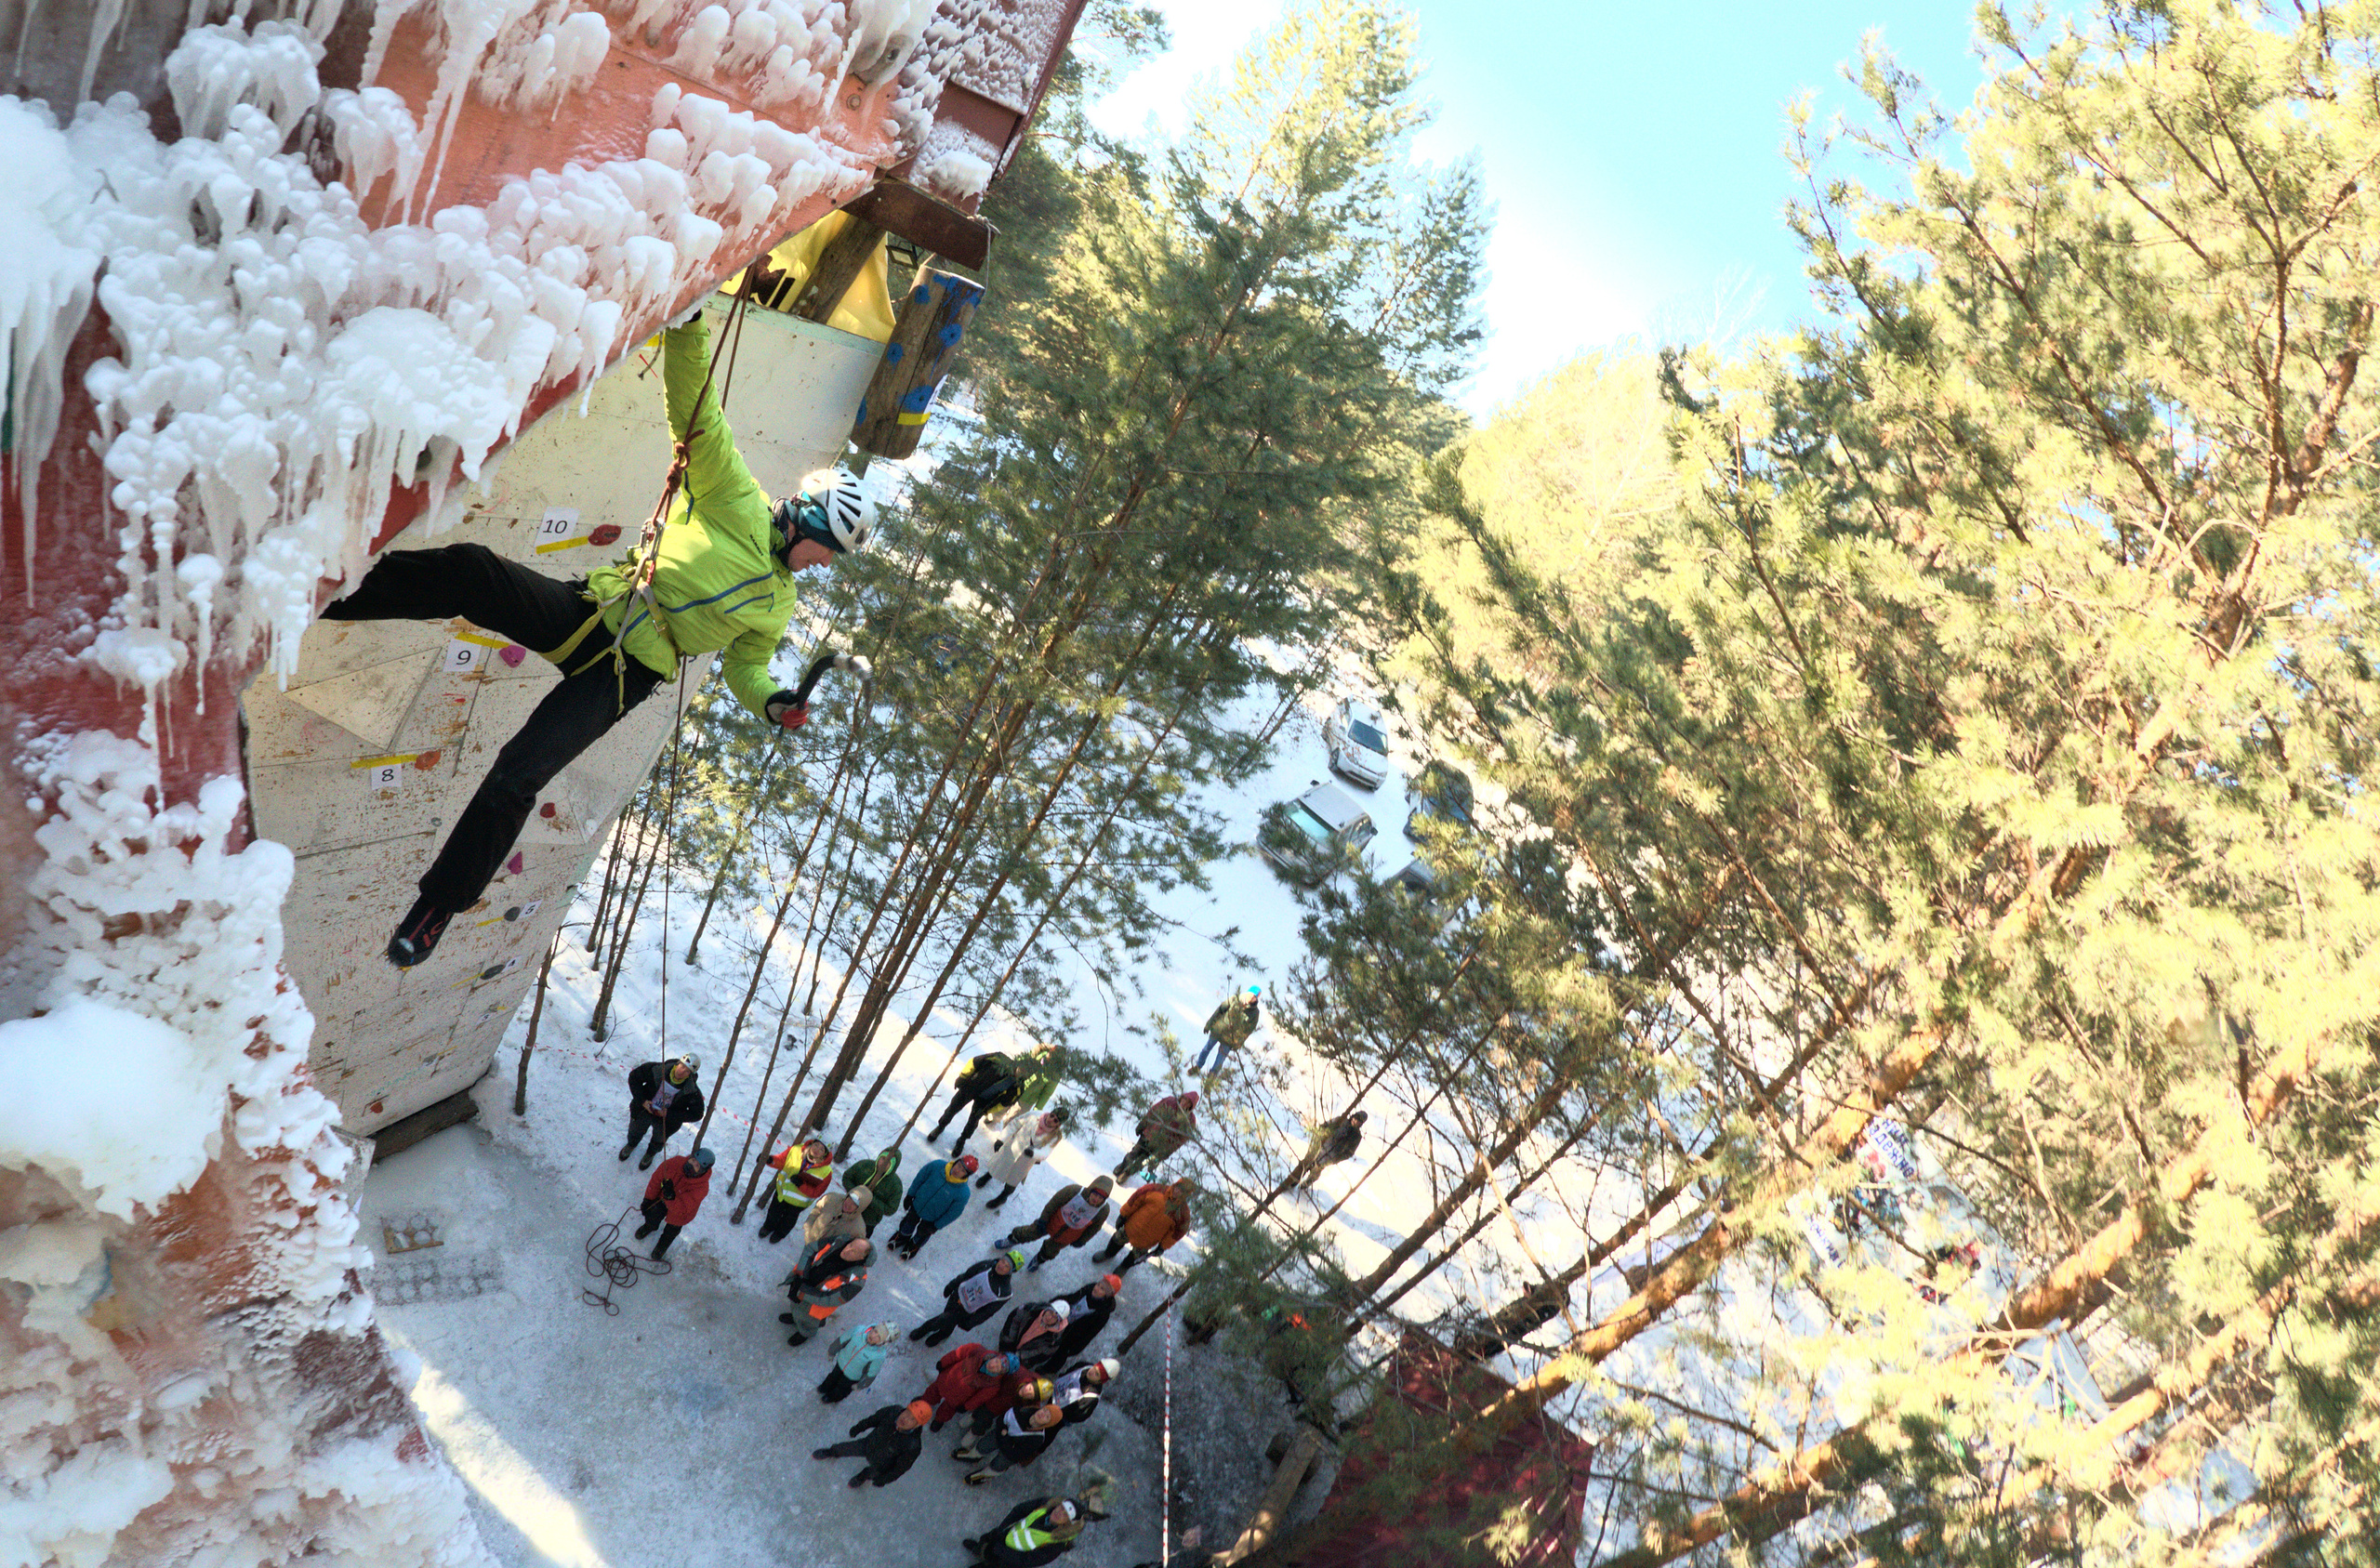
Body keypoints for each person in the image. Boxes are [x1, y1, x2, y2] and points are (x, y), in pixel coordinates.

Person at [324, 311, 878, 968]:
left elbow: (746, 666)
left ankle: (439, 902)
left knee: (517, 774)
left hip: (622, 677)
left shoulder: (777, 602)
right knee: (474, 571)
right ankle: (335, 591)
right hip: (593, 608)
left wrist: (770, 701)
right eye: (830, 550)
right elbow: (697, 409)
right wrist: (691, 322)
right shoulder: (734, 497)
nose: (825, 564)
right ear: (808, 520)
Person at [910, 1247, 1023, 1345]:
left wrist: (971, 1322)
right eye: (1003, 1261)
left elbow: (988, 1312)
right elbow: (967, 1274)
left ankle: (923, 1330)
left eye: (1007, 1266)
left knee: (941, 1319)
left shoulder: (1004, 1293)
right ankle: (944, 1334)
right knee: (947, 1319)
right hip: (957, 1295)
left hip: (965, 1310)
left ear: (1011, 1271)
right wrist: (952, 1285)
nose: (1001, 1265)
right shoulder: (987, 1265)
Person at [1004, 1175, 1115, 1272]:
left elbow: (1095, 1228)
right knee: (1030, 1232)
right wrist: (1043, 1219)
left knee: (1050, 1251)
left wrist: (1082, 1240)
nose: (1096, 1199)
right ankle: (1013, 1239)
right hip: (1052, 1222)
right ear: (1091, 1190)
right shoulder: (1074, 1191)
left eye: (1101, 1198)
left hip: (1068, 1236)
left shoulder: (1103, 1210)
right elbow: (1054, 1202)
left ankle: (1039, 1259)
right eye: (1095, 1194)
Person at [811, 1399, 930, 1489]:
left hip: (882, 1464)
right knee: (844, 1448)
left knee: (870, 1473)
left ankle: (861, 1478)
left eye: (912, 1419)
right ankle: (831, 1452)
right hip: (868, 1444)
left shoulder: (913, 1446)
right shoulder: (892, 1412)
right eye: (908, 1412)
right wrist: (858, 1428)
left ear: (917, 1425)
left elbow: (900, 1468)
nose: (905, 1418)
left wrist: (883, 1480)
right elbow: (873, 1420)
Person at [618, 1053, 704, 1169]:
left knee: (659, 1139)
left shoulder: (691, 1090)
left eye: (687, 1071)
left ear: (690, 1074)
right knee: (635, 1129)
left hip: (665, 1121)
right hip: (644, 1110)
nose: (682, 1071)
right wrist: (642, 1101)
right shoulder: (657, 1070)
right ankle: (631, 1144)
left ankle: (651, 1153)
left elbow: (697, 1114)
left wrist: (669, 1114)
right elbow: (634, 1077)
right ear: (678, 1063)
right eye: (682, 1066)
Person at [782, 1236, 871, 1346]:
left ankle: (805, 1333)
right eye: (850, 1245)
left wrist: (803, 1291)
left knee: (809, 1322)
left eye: (854, 1251)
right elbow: (810, 1249)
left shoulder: (858, 1279)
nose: (847, 1250)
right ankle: (795, 1318)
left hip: (815, 1307)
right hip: (802, 1288)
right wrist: (801, 1276)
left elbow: (832, 1299)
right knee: (796, 1307)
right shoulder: (835, 1243)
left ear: (861, 1257)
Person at [1093, 1178, 1194, 1273]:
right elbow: (1136, 1199)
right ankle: (1108, 1253)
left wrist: (1163, 1246)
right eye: (1177, 1187)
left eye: (1181, 1191)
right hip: (1131, 1227)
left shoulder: (1183, 1213)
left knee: (1135, 1257)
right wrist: (1124, 1214)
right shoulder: (1156, 1189)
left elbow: (1177, 1233)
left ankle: (1124, 1267)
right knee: (1116, 1240)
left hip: (1148, 1240)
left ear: (1185, 1195)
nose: (1177, 1191)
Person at [929, 1049, 1022, 1151]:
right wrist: (962, 1077)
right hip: (971, 1087)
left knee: (972, 1122)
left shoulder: (1017, 1087)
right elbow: (974, 1062)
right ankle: (940, 1126)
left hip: (985, 1101)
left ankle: (962, 1139)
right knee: (952, 1108)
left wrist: (987, 1110)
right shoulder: (998, 1058)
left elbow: (1003, 1103)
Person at [631, 1145, 713, 1259]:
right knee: (653, 1215)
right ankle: (649, 1226)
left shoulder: (702, 1188)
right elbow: (656, 1180)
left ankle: (662, 1246)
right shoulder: (675, 1163)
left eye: (697, 1166)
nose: (691, 1164)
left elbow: (683, 1208)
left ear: (703, 1171)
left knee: (671, 1232)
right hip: (662, 1199)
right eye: (693, 1160)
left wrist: (670, 1198)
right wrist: (648, 1199)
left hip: (681, 1213)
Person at [889, 1153, 976, 1260]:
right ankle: (902, 1236)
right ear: (956, 1161)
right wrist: (910, 1194)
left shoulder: (963, 1193)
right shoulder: (937, 1166)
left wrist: (937, 1225)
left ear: (966, 1175)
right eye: (959, 1165)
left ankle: (914, 1245)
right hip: (918, 1204)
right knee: (909, 1221)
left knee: (923, 1233)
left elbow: (953, 1213)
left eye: (963, 1171)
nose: (958, 1170)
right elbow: (920, 1178)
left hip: (932, 1219)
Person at [916, 1344, 1019, 1432]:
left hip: (956, 1399)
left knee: (947, 1410)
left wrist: (966, 1407)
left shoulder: (993, 1386)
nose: (993, 1366)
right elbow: (958, 1353)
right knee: (933, 1391)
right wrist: (943, 1362)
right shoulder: (978, 1350)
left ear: (1001, 1373)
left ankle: (939, 1419)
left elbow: (979, 1398)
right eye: (997, 1362)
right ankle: (925, 1400)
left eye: (998, 1369)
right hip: (945, 1380)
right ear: (997, 1356)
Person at [962, 1496, 1087, 1567]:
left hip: (1008, 1559)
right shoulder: (1045, 1505)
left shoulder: (1057, 1543)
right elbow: (1020, 1510)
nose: (1059, 1513)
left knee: (990, 1564)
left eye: (1065, 1515)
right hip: (1005, 1534)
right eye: (1061, 1508)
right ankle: (979, 1550)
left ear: (1068, 1523)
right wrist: (1002, 1529)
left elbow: (1029, 1560)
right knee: (986, 1542)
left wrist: (1001, 1551)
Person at [977, 1109, 1063, 1211]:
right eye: (1052, 1115)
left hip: (1026, 1160)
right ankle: (988, 1175)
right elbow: (1015, 1124)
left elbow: (1046, 1152)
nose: (1051, 1120)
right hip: (1013, 1148)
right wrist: (1001, 1139)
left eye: (1056, 1120)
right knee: (999, 1164)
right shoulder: (1034, 1116)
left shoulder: (1055, 1136)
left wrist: (1033, 1153)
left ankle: (1003, 1197)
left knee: (1014, 1179)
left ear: (1058, 1125)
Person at [960, 1401, 1064, 1485]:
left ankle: (984, 1475)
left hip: (1007, 1450)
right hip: (1004, 1439)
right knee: (984, 1444)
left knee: (999, 1464)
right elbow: (1001, 1420)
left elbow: (1014, 1455)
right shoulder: (1022, 1410)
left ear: (1048, 1423)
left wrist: (1004, 1436)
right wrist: (1005, 1437)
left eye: (1047, 1417)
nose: (1042, 1414)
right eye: (1045, 1410)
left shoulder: (1037, 1439)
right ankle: (973, 1455)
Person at [757, 1138, 834, 1244]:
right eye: (816, 1145)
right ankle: (768, 1227)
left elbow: (817, 1192)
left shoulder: (826, 1172)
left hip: (798, 1203)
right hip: (782, 1192)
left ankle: (780, 1234)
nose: (817, 1149)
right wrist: (770, 1160)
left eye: (822, 1150)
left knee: (788, 1220)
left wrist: (801, 1185)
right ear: (811, 1143)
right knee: (773, 1212)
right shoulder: (796, 1150)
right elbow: (781, 1161)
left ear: (824, 1155)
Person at [1113, 1092, 1198, 1180]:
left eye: (1188, 1102)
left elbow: (1180, 1141)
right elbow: (1153, 1111)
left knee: (1142, 1162)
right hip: (1148, 1135)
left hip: (1160, 1147)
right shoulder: (1170, 1101)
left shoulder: (1190, 1120)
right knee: (1134, 1153)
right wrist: (1142, 1124)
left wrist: (1167, 1152)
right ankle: (1123, 1166)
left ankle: (1127, 1173)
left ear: (1191, 1106)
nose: (1184, 1102)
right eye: (1184, 1099)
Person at [983, 1044, 1063, 1134]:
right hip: (1017, 1086)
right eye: (1050, 1053)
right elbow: (1027, 1058)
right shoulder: (1040, 1054)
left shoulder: (1055, 1075)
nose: (1049, 1056)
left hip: (1027, 1100)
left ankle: (1004, 1135)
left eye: (1052, 1056)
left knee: (1014, 1119)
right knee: (1002, 1106)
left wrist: (1038, 1108)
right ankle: (993, 1120)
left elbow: (1047, 1093)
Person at [1188, 985, 1262, 1075]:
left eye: (1255, 997)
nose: (1252, 998)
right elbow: (1220, 1010)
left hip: (1230, 1039)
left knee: (1220, 1059)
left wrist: (1238, 1043)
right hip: (1219, 1030)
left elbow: (1248, 1030)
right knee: (1206, 1049)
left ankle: (1211, 1078)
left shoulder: (1254, 1013)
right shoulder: (1235, 999)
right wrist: (1209, 1024)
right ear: (1247, 993)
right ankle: (1198, 1067)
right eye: (1252, 995)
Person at [819, 1321, 897, 1403]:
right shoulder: (858, 1331)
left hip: (852, 1376)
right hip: (841, 1362)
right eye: (875, 1331)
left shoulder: (878, 1355)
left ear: (883, 1343)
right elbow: (842, 1340)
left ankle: (832, 1397)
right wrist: (832, 1351)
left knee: (842, 1388)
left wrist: (861, 1385)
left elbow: (871, 1373)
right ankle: (825, 1387)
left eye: (879, 1337)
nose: (873, 1336)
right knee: (833, 1376)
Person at [1286, 1109, 1367, 1188]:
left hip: (1329, 1157)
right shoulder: (1340, 1120)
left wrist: (1336, 1159)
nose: (1356, 1121)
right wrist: (1317, 1140)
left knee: (1315, 1174)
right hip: (1318, 1148)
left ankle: (1304, 1187)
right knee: (1303, 1166)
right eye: (1356, 1118)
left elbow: (1349, 1153)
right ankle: (1290, 1183)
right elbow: (1323, 1126)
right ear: (1353, 1116)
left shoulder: (1356, 1137)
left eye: (1359, 1121)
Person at [1051, 1274, 1120, 1361]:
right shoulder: (1088, 1289)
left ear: (1107, 1295)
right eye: (1098, 1284)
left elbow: (1090, 1334)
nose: (1096, 1288)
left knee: (1060, 1353)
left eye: (1102, 1289)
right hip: (1062, 1318)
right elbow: (1071, 1298)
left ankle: (1049, 1369)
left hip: (1071, 1335)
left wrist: (1075, 1348)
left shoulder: (1102, 1314)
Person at [840, 1146, 905, 1234]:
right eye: (883, 1158)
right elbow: (847, 1177)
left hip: (867, 1221)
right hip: (846, 1209)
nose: (884, 1163)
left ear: (893, 1166)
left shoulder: (895, 1185)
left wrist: (869, 1199)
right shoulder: (865, 1165)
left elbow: (891, 1209)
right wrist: (857, 1193)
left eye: (888, 1162)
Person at [998, 1299, 1071, 1374]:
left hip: (1020, 1360)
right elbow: (1013, 1323)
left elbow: (1036, 1355)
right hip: (1007, 1345)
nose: (1049, 1318)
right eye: (1050, 1312)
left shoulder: (1053, 1341)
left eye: (1054, 1317)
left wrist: (1014, 1359)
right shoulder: (1029, 1310)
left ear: (1058, 1322)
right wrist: (1007, 1348)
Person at [1050, 1358, 1117, 1426]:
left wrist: (1061, 1414)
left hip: (1061, 1415)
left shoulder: (1092, 1397)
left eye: (1096, 1374)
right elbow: (1067, 1373)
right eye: (1094, 1368)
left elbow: (1080, 1416)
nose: (1091, 1372)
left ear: (1100, 1381)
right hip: (1054, 1394)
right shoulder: (1083, 1366)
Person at [802, 1187, 871, 1251]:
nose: (849, 1204)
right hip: (810, 1241)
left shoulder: (858, 1229)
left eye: (854, 1204)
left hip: (824, 1257)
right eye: (850, 1198)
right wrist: (808, 1233)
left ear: (859, 1209)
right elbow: (815, 1213)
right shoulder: (830, 1199)